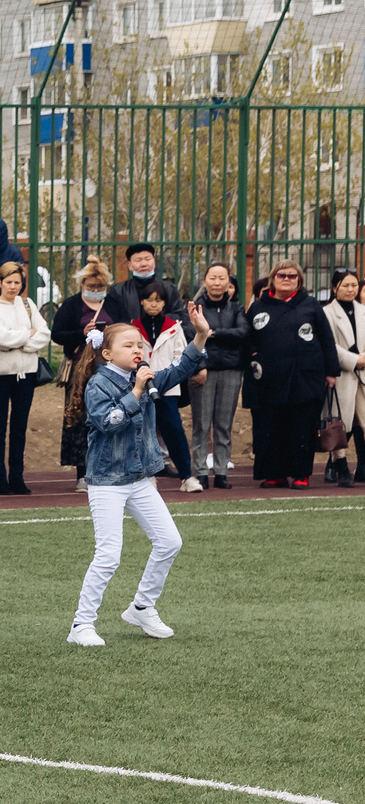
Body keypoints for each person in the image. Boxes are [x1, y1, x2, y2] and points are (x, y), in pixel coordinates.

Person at [67, 310, 211, 646]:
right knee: (108, 555)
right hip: (106, 481)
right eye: (128, 345)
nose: (138, 350)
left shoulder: (144, 376)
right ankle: (81, 626)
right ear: (107, 353)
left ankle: (142, 607)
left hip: (139, 479)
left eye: (140, 345)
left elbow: (181, 369)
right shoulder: (99, 383)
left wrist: (200, 336)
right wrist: (136, 390)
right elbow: (108, 421)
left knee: (170, 542)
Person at [243, 260, 340, 487]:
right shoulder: (258, 307)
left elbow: (327, 339)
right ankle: (275, 473)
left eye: (292, 276)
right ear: (272, 279)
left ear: (299, 280)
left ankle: (300, 474)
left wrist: (331, 372)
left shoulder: (311, 305)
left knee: (302, 427)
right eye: (281, 275)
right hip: (269, 380)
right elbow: (246, 338)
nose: (286, 279)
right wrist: (252, 352)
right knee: (271, 428)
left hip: (305, 378)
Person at [0, 259, 53, 495]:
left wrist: (21, 344)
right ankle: (0, 478)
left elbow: (44, 333)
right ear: (0, 282)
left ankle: (17, 476)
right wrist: (25, 336)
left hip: (27, 373)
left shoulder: (28, 304)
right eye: (8, 282)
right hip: (0, 374)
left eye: (17, 282)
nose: (13, 287)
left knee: (20, 426)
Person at [186, 264, 250, 490]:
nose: (217, 282)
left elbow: (242, 332)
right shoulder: (196, 308)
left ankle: (221, 471)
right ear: (205, 281)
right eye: (212, 277)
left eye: (221, 278)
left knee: (224, 425)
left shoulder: (236, 308)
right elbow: (191, 335)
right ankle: (201, 471)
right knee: (201, 425)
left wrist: (213, 333)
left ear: (228, 282)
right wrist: (199, 366)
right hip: (204, 372)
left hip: (231, 371)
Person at [52, 257, 114, 487]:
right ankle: (83, 472)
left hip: (109, 370)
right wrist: (82, 332)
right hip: (80, 371)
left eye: (100, 287)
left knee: (110, 418)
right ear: (82, 285)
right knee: (80, 419)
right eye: (91, 287)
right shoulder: (71, 305)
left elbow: (127, 326)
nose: (96, 291)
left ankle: (108, 468)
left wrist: (111, 333)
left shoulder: (113, 303)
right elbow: (57, 334)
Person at [136, 282, 197, 488]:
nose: (154, 304)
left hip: (167, 388)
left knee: (173, 429)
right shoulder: (133, 326)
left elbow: (180, 356)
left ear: (165, 303)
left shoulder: (174, 326)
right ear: (142, 301)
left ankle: (187, 476)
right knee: (144, 431)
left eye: (159, 300)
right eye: (150, 300)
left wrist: (165, 377)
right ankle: (148, 475)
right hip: (141, 388)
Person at [325, 269, 363, 486]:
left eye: (354, 285)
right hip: (343, 375)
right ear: (335, 288)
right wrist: (355, 360)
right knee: (341, 424)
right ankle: (341, 467)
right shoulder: (327, 313)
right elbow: (330, 346)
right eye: (346, 285)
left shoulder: (363, 311)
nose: (350, 289)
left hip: (363, 376)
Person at [100, 242, 164, 330]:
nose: (144, 264)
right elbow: (114, 321)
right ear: (129, 266)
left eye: (147, 259)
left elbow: (178, 315)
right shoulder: (118, 290)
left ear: (154, 262)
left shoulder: (168, 289)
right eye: (138, 260)